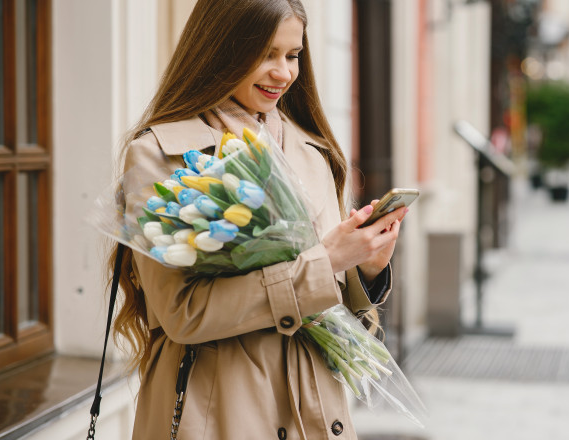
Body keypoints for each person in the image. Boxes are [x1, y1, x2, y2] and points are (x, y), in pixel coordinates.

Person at [110, 1, 407, 438]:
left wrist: (366, 270)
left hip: (313, 409)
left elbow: (334, 313)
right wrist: (324, 263)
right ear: (219, 49)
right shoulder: (161, 154)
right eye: (266, 54)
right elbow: (181, 315)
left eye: (293, 56)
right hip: (217, 412)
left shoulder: (313, 152)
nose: (284, 73)